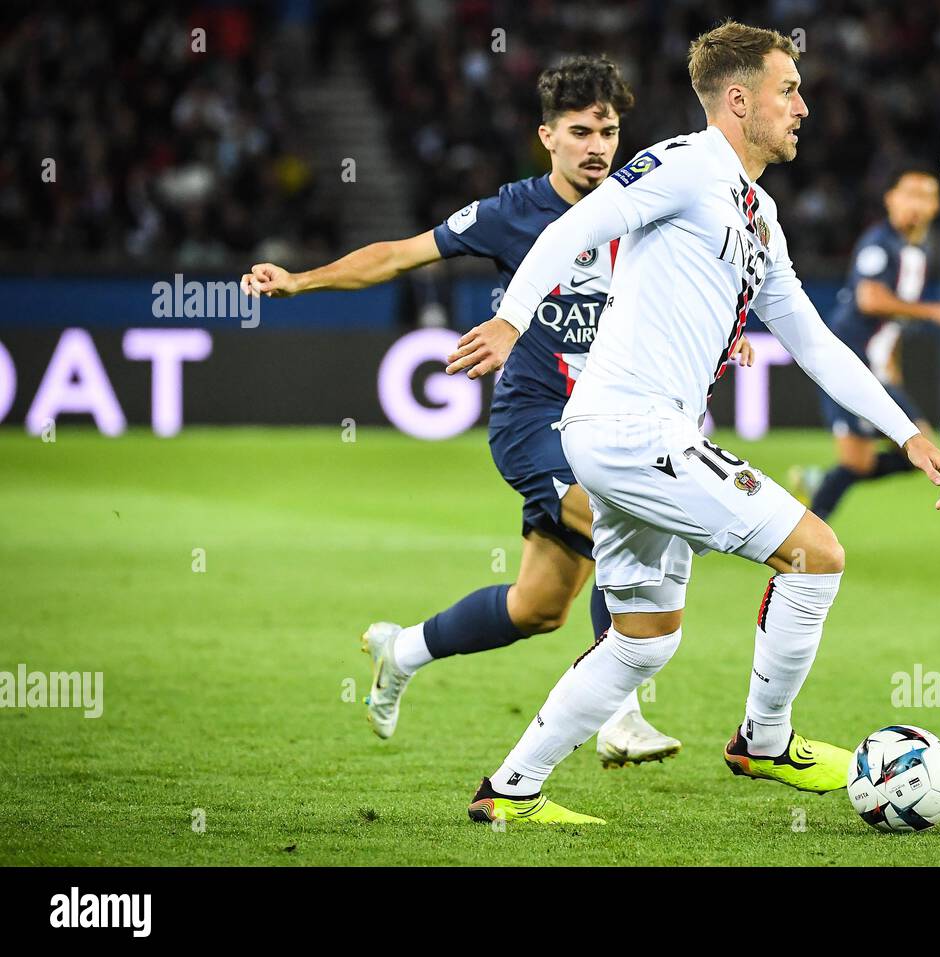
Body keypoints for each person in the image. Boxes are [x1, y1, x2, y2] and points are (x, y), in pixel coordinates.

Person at [445, 21, 940, 825]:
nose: (803, 105)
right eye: (787, 89)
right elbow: (573, 228)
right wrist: (513, 318)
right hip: (634, 430)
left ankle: (508, 792)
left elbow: (815, 342)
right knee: (817, 554)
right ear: (738, 99)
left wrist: (907, 432)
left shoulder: (758, 214)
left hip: (632, 438)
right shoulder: (685, 166)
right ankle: (765, 739)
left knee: (644, 637)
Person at [240, 55, 693, 768]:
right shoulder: (514, 210)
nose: (597, 146)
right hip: (534, 422)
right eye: (579, 131)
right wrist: (302, 280)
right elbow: (399, 254)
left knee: (538, 607)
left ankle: (403, 649)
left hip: (607, 421)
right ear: (547, 136)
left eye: (607, 130)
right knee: (620, 517)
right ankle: (620, 715)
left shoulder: (643, 204)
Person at [790, 167, 940, 520]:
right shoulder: (879, 244)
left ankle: (814, 492)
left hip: (874, 366)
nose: (917, 205)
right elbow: (870, 299)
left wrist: (892, 371)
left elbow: (891, 325)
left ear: (936, 207)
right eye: (910, 195)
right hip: (847, 360)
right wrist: (938, 313)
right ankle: (808, 531)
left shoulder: (916, 252)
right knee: (876, 457)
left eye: (926, 196)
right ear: (891, 199)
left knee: (912, 451)